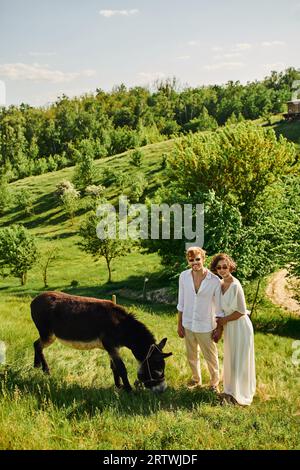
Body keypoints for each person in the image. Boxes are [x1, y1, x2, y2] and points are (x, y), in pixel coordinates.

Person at [210, 253, 256, 406]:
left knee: (240, 360)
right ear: (215, 269)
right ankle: (229, 391)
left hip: (241, 327)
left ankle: (239, 394)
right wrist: (220, 327)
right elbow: (220, 311)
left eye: (225, 266)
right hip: (230, 328)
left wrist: (224, 321)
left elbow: (241, 311)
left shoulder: (236, 285)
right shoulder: (220, 284)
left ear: (230, 267)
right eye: (219, 267)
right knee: (231, 359)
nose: (222, 270)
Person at [177, 246, 222, 391]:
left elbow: (220, 308)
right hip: (188, 323)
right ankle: (196, 380)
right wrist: (180, 324)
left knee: (211, 357)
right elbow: (181, 302)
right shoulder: (183, 276)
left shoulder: (214, 281)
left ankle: (214, 383)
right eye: (191, 260)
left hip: (206, 326)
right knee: (191, 355)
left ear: (203, 259)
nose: (195, 262)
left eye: (197, 259)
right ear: (188, 261)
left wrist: (218, 328)